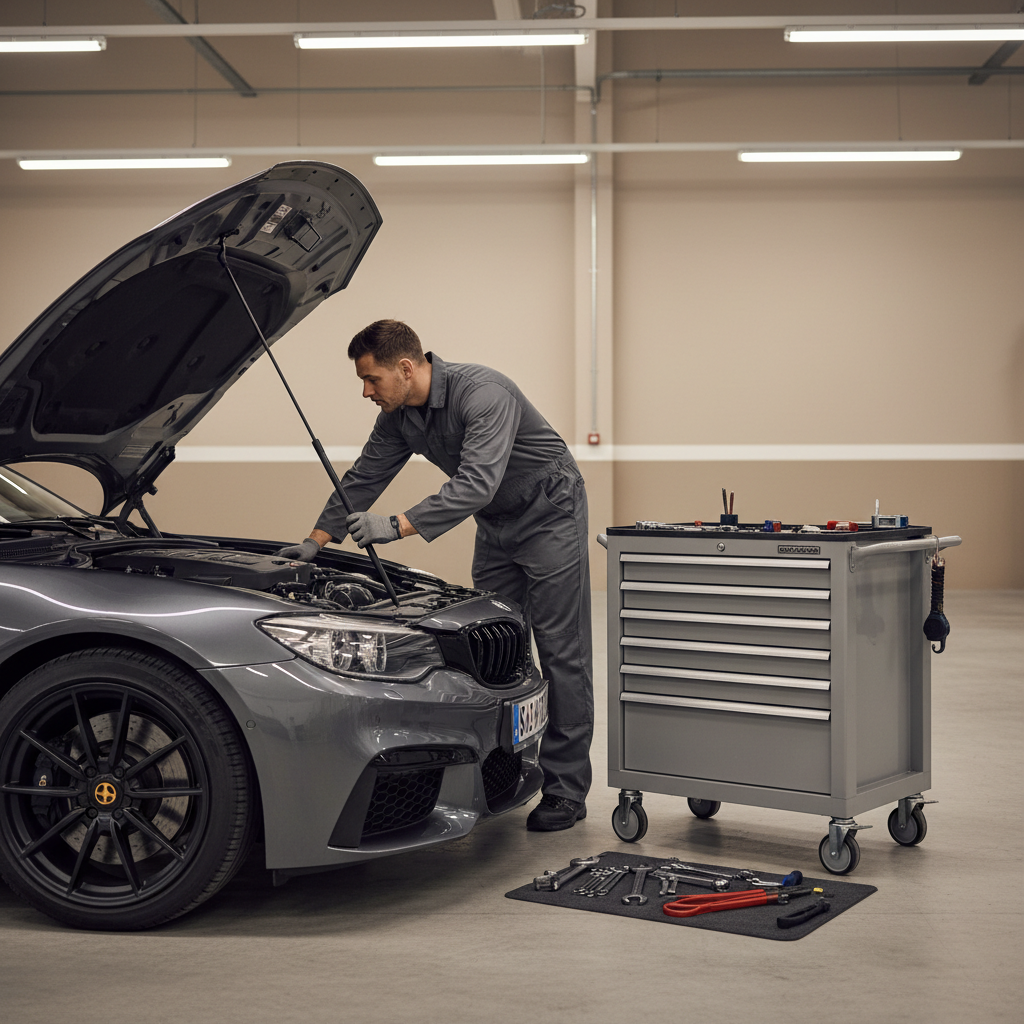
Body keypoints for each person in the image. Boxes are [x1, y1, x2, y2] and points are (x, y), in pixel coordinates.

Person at [278, 319, 593, 831]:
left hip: (549, 511)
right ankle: (503, 772)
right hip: (496, 524)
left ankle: (566, 789)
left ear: (406, 368)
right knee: (497, 648)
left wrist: (397, 525)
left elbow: (477, 482)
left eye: (371, 379)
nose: (366, 392)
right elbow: (365, 475)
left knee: (563, 649)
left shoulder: (484, 393)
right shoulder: (400, 415)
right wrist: (316, 541)